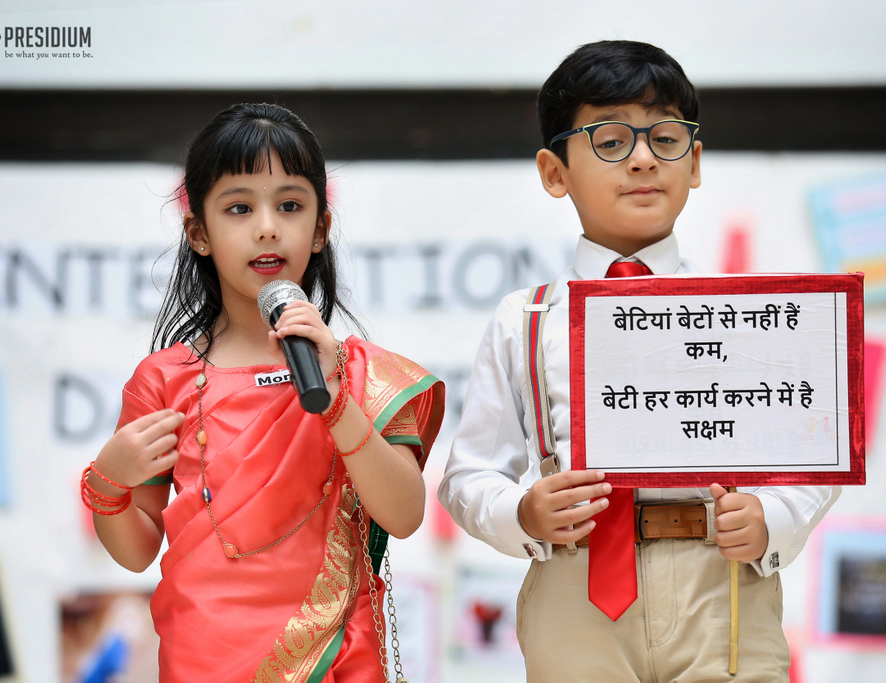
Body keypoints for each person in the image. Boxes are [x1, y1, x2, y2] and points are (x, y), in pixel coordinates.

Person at [438, 41, 840, 682]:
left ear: (696, 160)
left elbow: (814, 451)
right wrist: (523, 513)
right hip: (575, 587)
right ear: (553, 171)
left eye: (666, 138)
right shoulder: (525, 318)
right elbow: (467, 477)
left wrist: (774, 519)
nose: (645, 159)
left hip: (725, 589)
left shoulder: (749, 313)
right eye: (611, 141)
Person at [81, 103, 445, 682]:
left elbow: (403, 516)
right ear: (199, 233)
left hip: (336, 654)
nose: (268, 226)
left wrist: (336, 403)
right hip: (204, 652)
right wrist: (108, 482)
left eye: (291, 205)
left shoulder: (359, 373)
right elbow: (135, 551)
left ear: (321, 229)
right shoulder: (163, 379)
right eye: (240, 207)